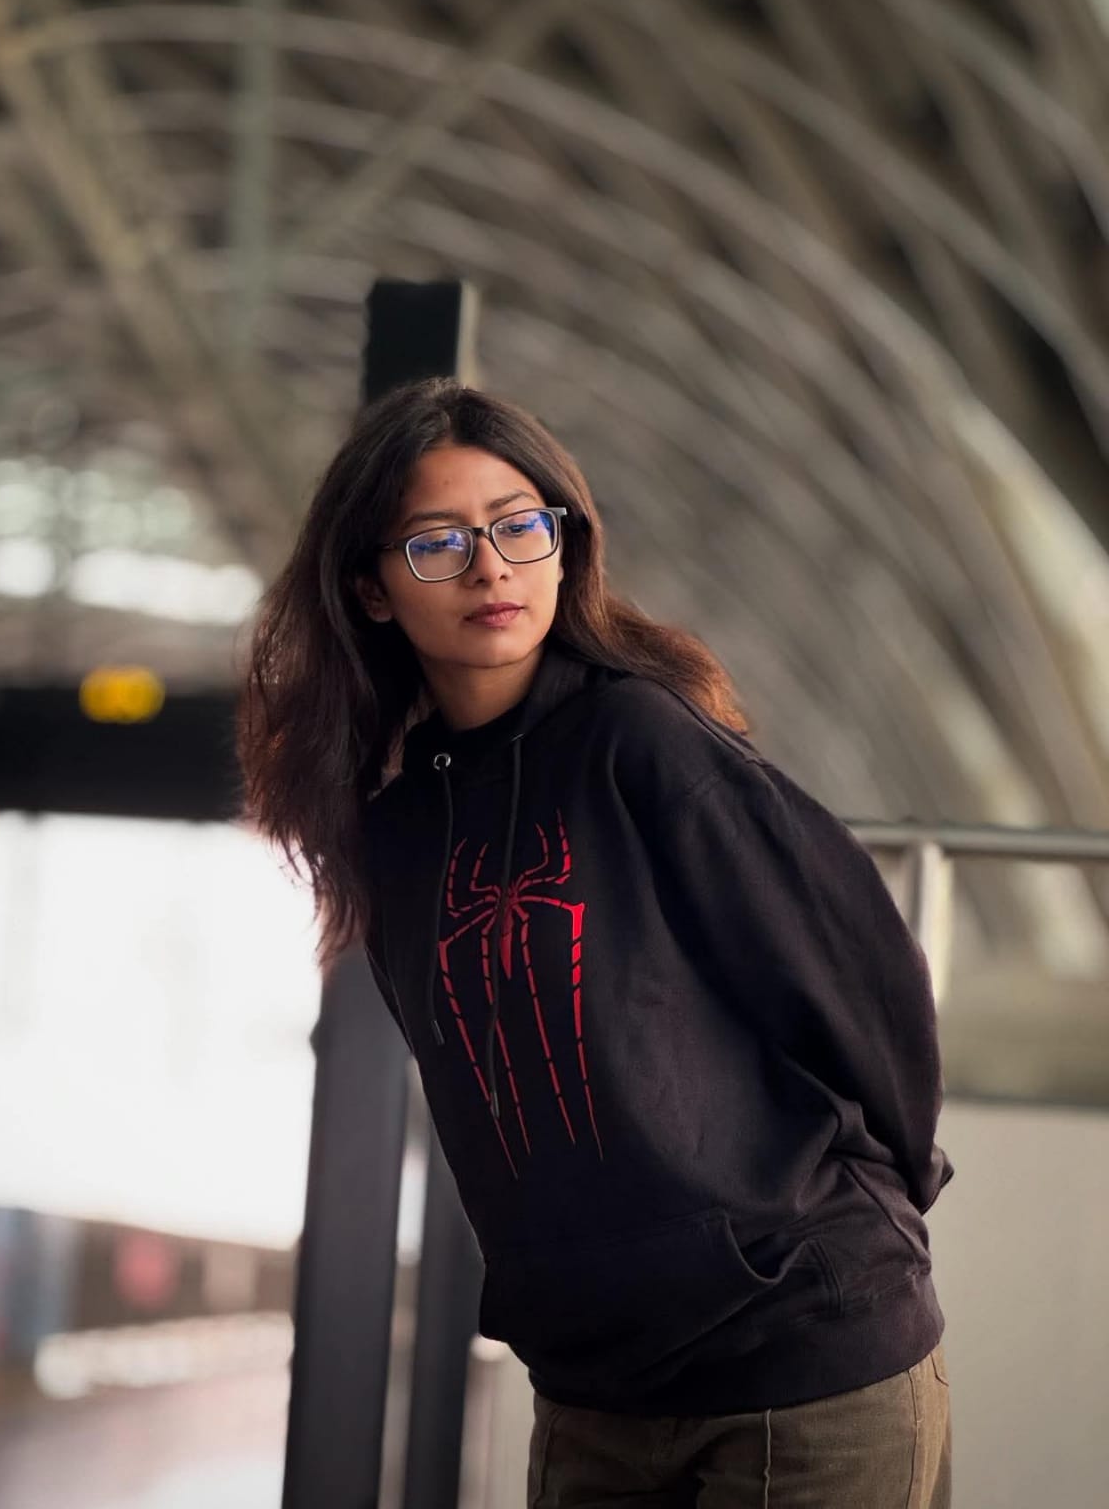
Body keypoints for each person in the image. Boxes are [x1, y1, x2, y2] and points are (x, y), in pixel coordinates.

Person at [241, 376, 954, 1507]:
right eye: (437, 542)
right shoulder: (398, 832)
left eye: (519, 526)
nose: (490, 568)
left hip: (802, 1359)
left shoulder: (639, 739)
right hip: (592, 1396)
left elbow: (861, 973)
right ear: (370, 588)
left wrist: (870, 1212)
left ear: (565, 542)